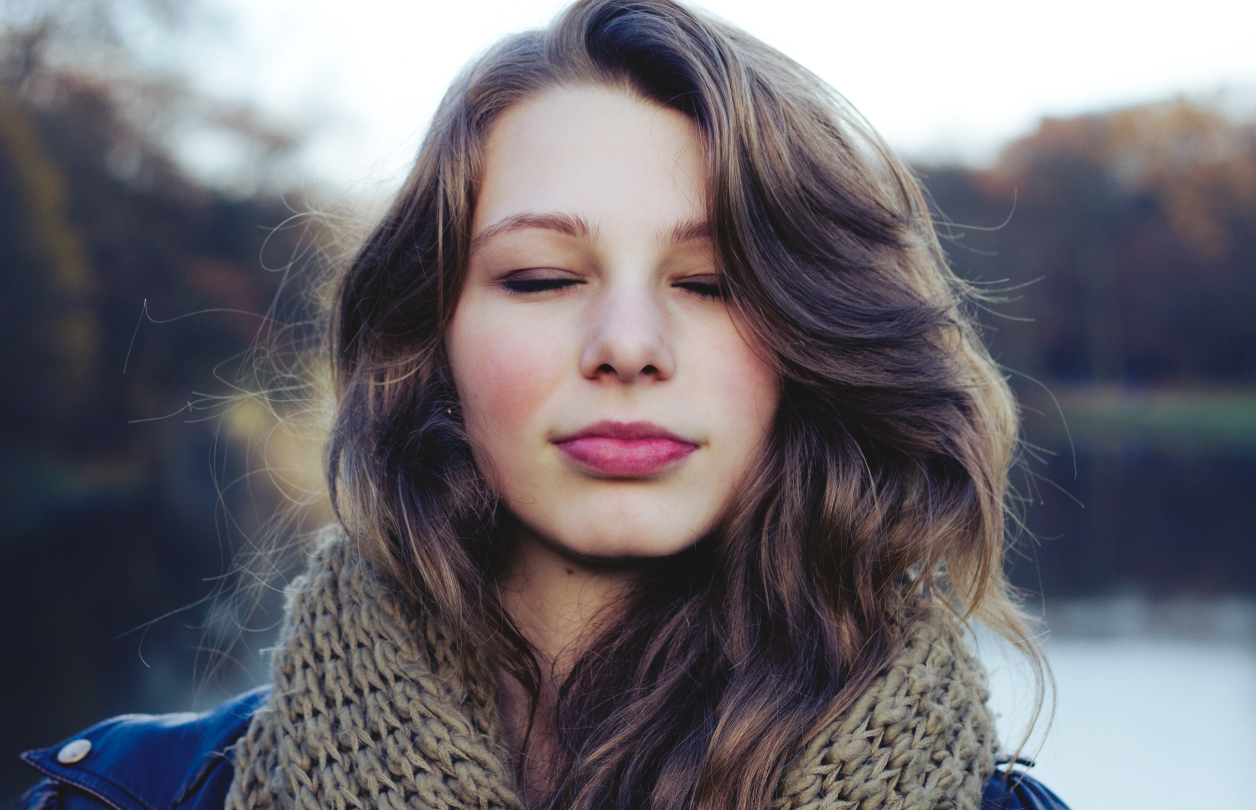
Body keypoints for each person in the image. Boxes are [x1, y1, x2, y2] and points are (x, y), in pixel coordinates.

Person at [16, 1, 1070, 808]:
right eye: (541, 278)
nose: (625, 345)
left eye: (710, 285)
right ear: (430, 341)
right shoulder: (121, 796)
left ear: (818, 340)